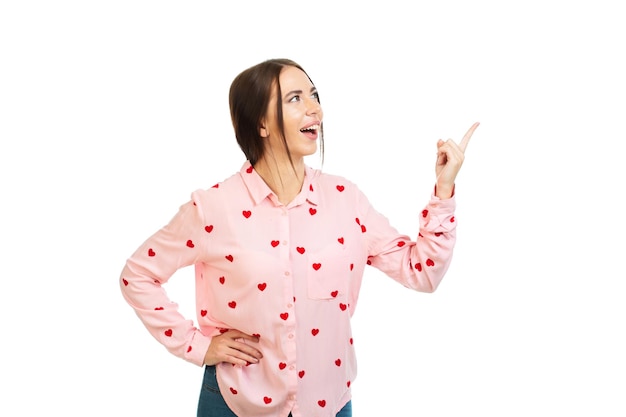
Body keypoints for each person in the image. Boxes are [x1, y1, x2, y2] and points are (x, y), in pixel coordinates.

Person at [119, 58, 479, 417]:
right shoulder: (212, 208)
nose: (315, 110)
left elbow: (422, 271)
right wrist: (197, 345)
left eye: (314, 95)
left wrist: (443, 190)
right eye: (295, 99)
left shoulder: (345, 200)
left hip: (328, 404)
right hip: (236, 402)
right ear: (261, 123)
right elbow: (137, 275)